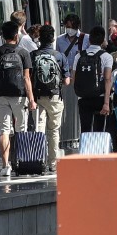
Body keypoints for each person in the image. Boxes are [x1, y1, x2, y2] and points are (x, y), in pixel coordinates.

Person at [0, 20, 36, 177]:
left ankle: (6, 166)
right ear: (16, 35)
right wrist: (31, 99)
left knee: (4, 131)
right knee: (21, 129)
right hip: (19, 96)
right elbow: (27, 79)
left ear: (3, 35)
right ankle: (20, 162)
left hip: (1, 95)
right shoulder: (23, 53)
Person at [32, 24, 69, 173]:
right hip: (55, 97)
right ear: (53, 39)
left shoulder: (33, 55)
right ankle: (53, 163)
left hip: (37, 97)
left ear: (39, 38)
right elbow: (67, 81)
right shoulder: (59, 56)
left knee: (39, 129)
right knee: (53, 131)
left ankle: (39, 161)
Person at [57, 14, 90, 151]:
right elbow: (58, 56)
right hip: (66, 78)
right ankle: (66, 138)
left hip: (80, 78)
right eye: (67, 26)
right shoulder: (59, 40)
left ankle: (78, 137)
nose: (69, 29)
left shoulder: (85, 38)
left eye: (72, 27)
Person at [72, 26, 113, 134]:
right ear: (103, 40)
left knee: (85, 130)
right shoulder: (106, 56)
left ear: (89, 40)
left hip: (83, 98)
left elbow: (73, 78)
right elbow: (108, 80)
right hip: (100, 98)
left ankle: (85, 150)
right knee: (99, 131)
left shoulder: (79, 56)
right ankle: (97, 151)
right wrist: (106, 103)